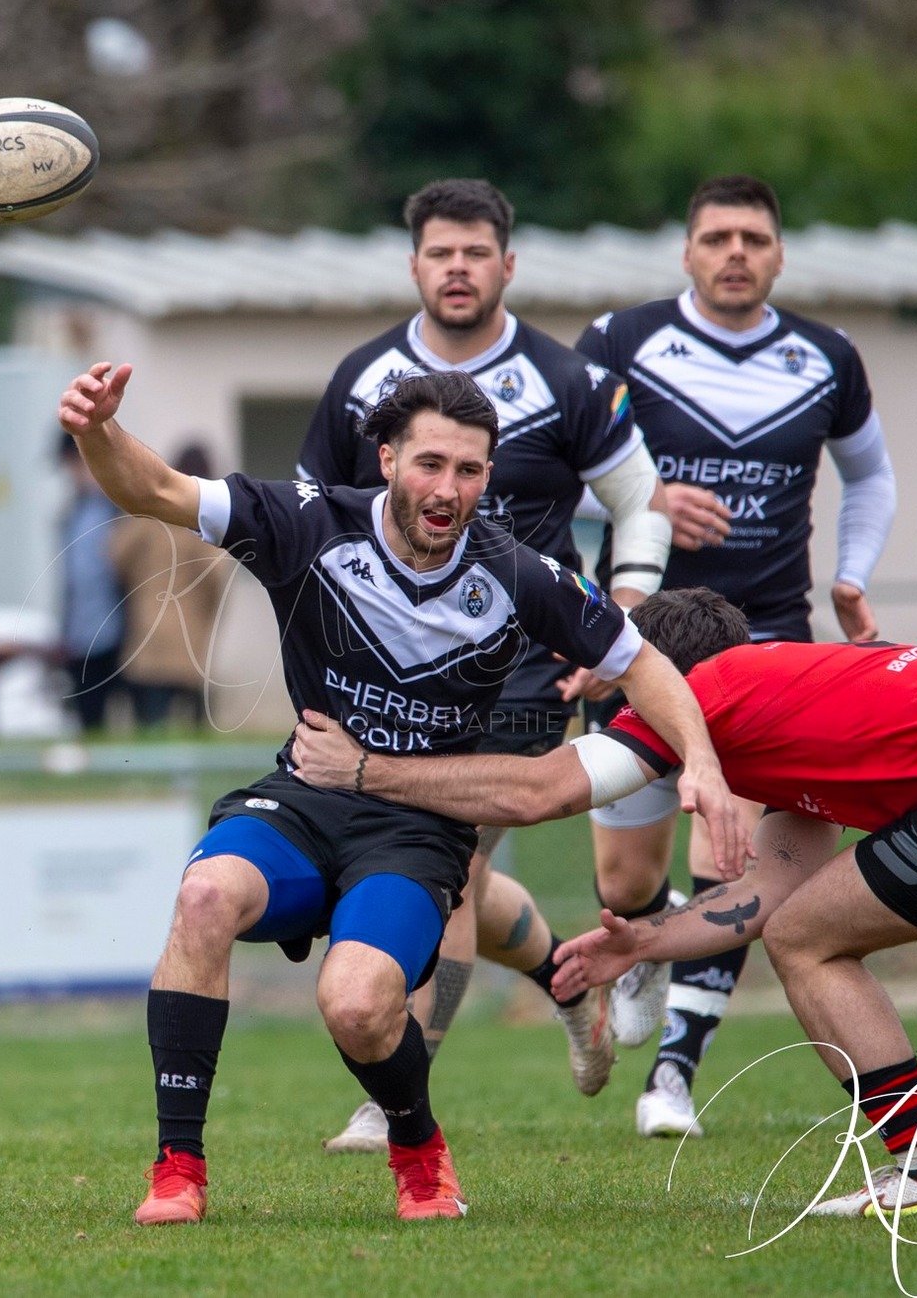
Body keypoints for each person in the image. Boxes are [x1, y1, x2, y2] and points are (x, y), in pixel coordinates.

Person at [290, 587, 917, 1219]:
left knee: (814, 946)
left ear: (659, 675)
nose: (621, 699)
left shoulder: (716, 688)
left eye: (625, 678)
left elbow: (540, 789)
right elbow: (761, 898)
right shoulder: (795, 710)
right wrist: (639, 939)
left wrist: (366, 771)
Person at [57, 362, 740, 1225]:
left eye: (468, 470)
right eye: (429, 463)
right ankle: (177, 1168)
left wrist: (704, 762)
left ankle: (419, 1147)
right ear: (385, 459)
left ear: (488, 476)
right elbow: (152, 487)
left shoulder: (520, 576)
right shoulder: (307, 524)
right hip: (302, 801)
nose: (447, 488)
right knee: (202, 896)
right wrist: (95, 431)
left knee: (356, 1002)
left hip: (416, 833)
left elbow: (643, 663)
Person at [298, 178, 679, 1149]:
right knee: (433, 864)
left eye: (475, 253)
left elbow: (639, 498)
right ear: (413, 264)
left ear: (506, 265)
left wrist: (622, 609)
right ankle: (562, 975)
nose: (457, 268)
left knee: (444, 866)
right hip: (382, 667)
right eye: (439, 252)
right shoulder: (362, 378)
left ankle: (392, 1090)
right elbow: (306, 520)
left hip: (519, 667)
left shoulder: (563, 378)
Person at [572, 173, 899, 1138]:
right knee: (626, 880)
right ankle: (646, 933)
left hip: (770, 639)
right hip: (638, 637)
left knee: (740, 854)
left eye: (754, 236)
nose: (736, 252)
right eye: (717, 235)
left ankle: (673, 1071)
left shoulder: (826, 358)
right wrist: (647, 498)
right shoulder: (618, 344)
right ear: (686, 250)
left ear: (779, 252)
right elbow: (552, 476)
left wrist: (853, 571)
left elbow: (872, 474)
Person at [107, 443, 233, 729]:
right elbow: (217, 579)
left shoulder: (151, 516)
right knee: (195, 740)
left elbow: (115, 553)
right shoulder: (207, 525)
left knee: (151, 734)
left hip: (147, 641)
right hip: (191, 647)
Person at [58, 432, 129, 731]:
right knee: (88, 717)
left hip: (115, 631)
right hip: (80, 634)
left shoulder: (118, 510)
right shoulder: (73, 513)